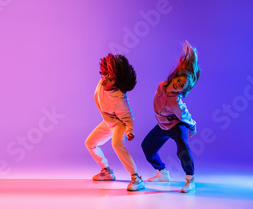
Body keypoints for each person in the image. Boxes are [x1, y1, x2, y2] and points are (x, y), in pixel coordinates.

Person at [141, 41, 201, 193]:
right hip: (162, 125)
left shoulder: (177, 102)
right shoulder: (161, 85)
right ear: (175, 77)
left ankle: (190, 179)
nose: (178, 85)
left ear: (183, 90)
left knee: (182, 148)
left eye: (181, 86)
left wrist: (192, 128)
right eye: (179, 80)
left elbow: (185, 116)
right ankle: (162, 173)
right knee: (147, 146)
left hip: (176, 126)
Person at [85, 53, 144, 191]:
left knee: (117, 144)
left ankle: (136, 177)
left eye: (110, 78)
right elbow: (98, 100)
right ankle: (106, 171)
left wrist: (129, 131)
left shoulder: (120, 99)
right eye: (106, 75)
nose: (105, 79)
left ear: (117, 83)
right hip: (108, 121)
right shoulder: (101, 84)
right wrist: (107, 118)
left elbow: (128, 118)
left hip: (119, 124)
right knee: (90, 143)